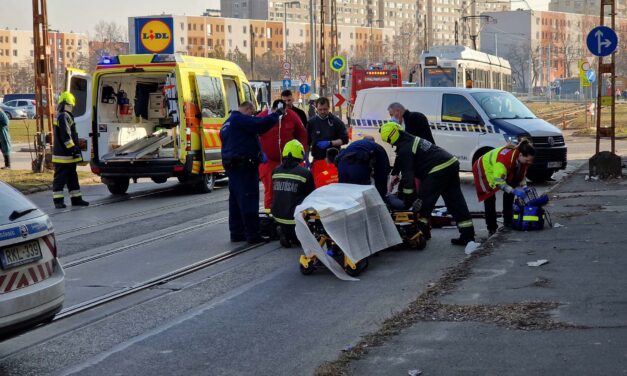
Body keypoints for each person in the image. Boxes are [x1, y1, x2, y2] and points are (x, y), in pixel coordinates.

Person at [380, 121, 475, 246]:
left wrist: (407, 201)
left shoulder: (405, 148)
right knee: (455, 201)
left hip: (438, 169)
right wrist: (395, 173)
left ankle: (419, 233)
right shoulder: (409, 139)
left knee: (423, 202)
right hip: (450, 163)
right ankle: (467, 236)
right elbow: (401, 157)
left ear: (390, 139)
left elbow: (408, 178)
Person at [220, 101, 283, 244]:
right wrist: (276, 114)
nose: (252, 115)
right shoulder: (239, 119)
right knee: (249, 199)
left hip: (233, 166)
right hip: (245, 167)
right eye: (252, 113)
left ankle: (237, 233)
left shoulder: (227, 123)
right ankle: (253, 235)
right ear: (248, 109)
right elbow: (259, 125)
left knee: (235, 201)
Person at [473, 139, 535, 235]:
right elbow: (500, 183)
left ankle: (508, 221)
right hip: (484, 168)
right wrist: (513, 191)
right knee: (489, 196)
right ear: (521, 155)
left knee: (510, 191)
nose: (529, 163)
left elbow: (520, 175)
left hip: (499, 168)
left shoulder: (520, 158)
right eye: (527, 160)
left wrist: (525, 187)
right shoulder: (504, 161)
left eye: (530, 161)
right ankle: (492, 228)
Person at [258, 99, 307, 210]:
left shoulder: (292, 115)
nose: (283, 115)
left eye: (285, 112)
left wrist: (303, 151)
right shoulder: (262, 117)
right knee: (270, 191)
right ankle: (270, 219)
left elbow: (302, 133)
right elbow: (252, 135)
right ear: (274, 109)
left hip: (290, 162)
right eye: (281, 112)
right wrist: (260, 152)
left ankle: (295, 216)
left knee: (295, 190)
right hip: (269, 162)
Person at [271, 140, 315, 248]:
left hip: (277, 215)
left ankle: (284, 232)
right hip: (295, 218)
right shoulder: (305, 173)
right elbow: (312, 195)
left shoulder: (275, 171)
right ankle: (295, 236)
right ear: (300, 154)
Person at [52, 91, 89, 208]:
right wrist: (73, 149)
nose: (72, 107)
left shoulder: (63, 115)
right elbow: (66, 136)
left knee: (72, 178)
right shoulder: (63, 116)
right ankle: (58, 201)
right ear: (68, 104)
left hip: (68, 156)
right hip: (64, 156)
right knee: (60, 179)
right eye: (71, 105)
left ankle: (76, 199)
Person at [336, 136, 390, 201]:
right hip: (357, 166)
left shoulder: (354, 144)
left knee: (345, 193)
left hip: (342, 165)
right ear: (373, 141)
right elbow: (382, 173)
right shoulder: (377, 147)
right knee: (361, 194)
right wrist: (382, 197)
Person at [306, 96, 348, 177]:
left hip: (333, 161)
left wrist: (330, 143)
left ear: (329, 108)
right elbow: (307, 142)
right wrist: (306, 158)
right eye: (320, 109)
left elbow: (345, 140)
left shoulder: (336, 122)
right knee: (317, 183)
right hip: (317, 160)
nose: (322, 112)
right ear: (316, 108)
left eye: (325, 109)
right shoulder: (311, 123)